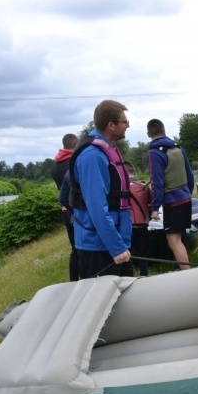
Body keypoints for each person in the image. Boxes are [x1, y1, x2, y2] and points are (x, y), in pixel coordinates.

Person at [67, 100, 133, 279]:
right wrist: (117, 247)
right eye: (124, 122)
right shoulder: (92, 156)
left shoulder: (109, 149)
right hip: (99, 247)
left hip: (117, 242)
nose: (127, 126)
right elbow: (97, 207)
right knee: (101, 303)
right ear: (111, 125)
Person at [147, 119, 195, 271]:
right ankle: (185, 269)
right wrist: (188, 192)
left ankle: (188, 275)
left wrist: (155, 207)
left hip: (173, 202)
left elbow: (157, 182)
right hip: (186, 197)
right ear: (164, 131)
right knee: (179, 237)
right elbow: (189, 175)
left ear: (149, 134)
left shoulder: (155, 153)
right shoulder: (178, 148)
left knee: (173, 241)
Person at [52, 133, 79, 281]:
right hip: (76, 208)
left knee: (74, 249)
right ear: (75, 145)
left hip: (65, 208)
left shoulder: (55, 164)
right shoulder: (72, 162)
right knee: (82, 247)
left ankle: (74, 280)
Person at [124, 162, 151, 276]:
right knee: (143, 253)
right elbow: (150, 203)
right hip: (144, 224)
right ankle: (144, 274)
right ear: (134, 172)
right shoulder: (144, 186)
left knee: (127, 253)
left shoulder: (123, 188)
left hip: (128, 225)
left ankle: (128, 275)